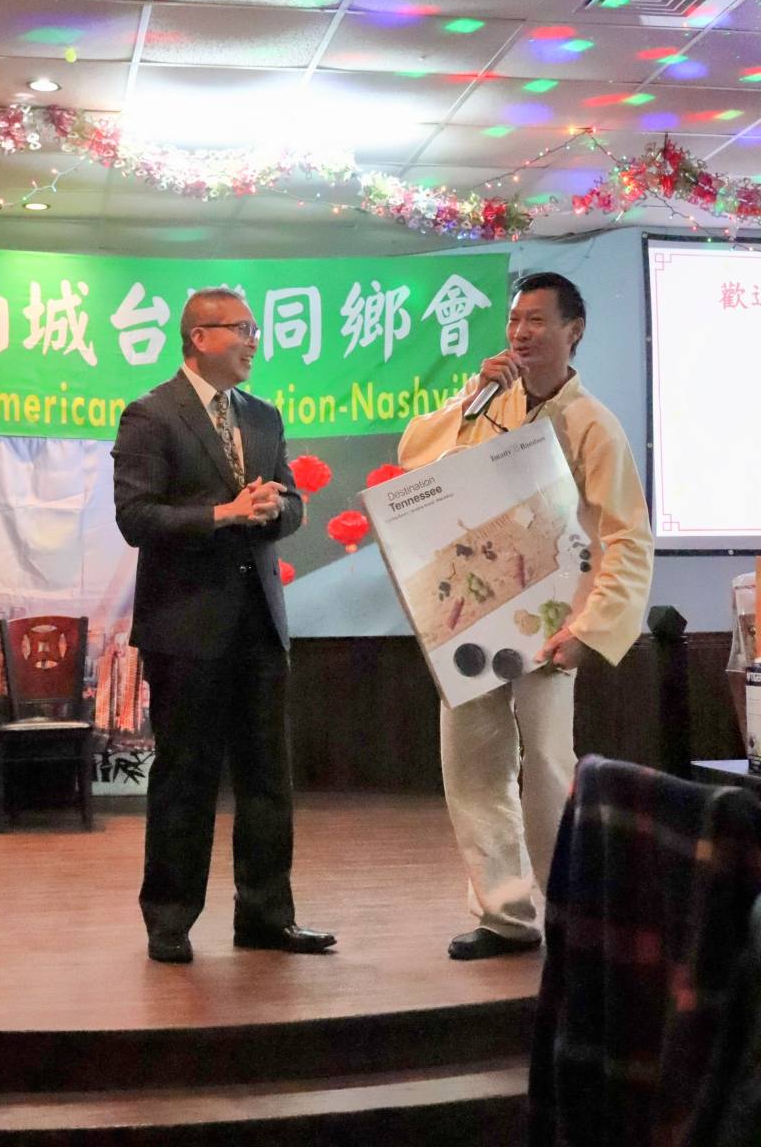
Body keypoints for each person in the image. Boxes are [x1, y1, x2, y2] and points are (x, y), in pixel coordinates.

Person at [398, 272, 653, 960]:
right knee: (472, 765)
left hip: (551, 622)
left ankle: (570, 912)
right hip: (471, 613)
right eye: (515, 320)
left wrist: (589, 630)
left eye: (537, 320)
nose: (521, 332)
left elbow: (627, 538)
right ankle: (504, 915)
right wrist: (469, 398)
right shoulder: (486, 402)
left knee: (546, 764)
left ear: (574, 330)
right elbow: (413, 455)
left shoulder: (592, 423)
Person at [112, 286, 335, 963]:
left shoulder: (262, 416)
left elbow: (294, 504)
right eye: (242, 329)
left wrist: (273, 508)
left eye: (255, 329)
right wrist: (223, 515)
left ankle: (266, 917)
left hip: (259, 624)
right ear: (200, 337)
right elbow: (136, 518)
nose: (253, 341)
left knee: (268, 778)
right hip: (185, 627)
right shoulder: (151, 415)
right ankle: (169, 921)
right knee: (187, 777)